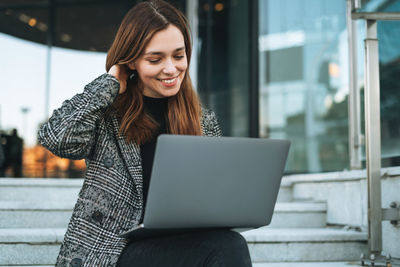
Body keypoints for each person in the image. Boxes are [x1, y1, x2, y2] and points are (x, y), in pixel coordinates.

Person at [38, 0, 252, 266]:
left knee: (230, 244)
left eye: (178, 55)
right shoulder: (107, 114)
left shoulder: (202, 121)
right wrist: (110, 83)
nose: (171, 69)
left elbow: (214, 196)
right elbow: (56, 137)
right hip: (113, 253)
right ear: (131, 62)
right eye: (155, 59)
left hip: (181, 244)